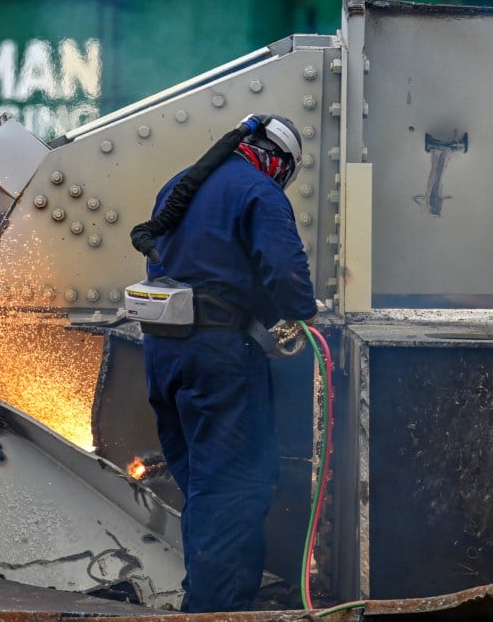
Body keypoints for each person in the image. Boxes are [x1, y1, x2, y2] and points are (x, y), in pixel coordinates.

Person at [141, 113, 317, 612]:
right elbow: (286, 271)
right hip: (218, 356)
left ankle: (203, 595)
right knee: (234, 486)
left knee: (202, 484)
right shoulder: (259, 193)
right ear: (279, 161)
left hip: (164, 353)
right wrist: (302, 311)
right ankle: (216, 611)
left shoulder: (179, 185)